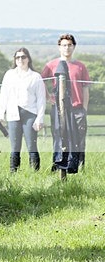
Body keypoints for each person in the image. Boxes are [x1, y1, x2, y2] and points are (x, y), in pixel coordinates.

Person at [41, 34, 90, 170]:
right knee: (58, 137)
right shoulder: (51, 65)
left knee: (79, 140)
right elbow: (40, 82)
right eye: (64, 45)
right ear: (59, 47)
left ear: (73, 47)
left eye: (69, 45)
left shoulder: (80, 66)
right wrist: (48, 96)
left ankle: (79, 167)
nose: (67, 48)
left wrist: (84, 108)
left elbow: (86, 89)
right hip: (59, 109)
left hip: (77, 109)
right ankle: (58, 166)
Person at [0, 48, 46, 172]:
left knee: (31, 145)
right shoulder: (9, 75)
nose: (20, 60)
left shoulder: (36, 77)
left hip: (30, 114)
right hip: (13, 113)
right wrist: (0, 112)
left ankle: (34, 173)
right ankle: (14, 173)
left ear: (28, 59)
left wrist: (39, 118)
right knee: (15, 147)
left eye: (23, 57)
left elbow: (41, 99)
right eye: (17, 57)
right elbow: (4, 94)